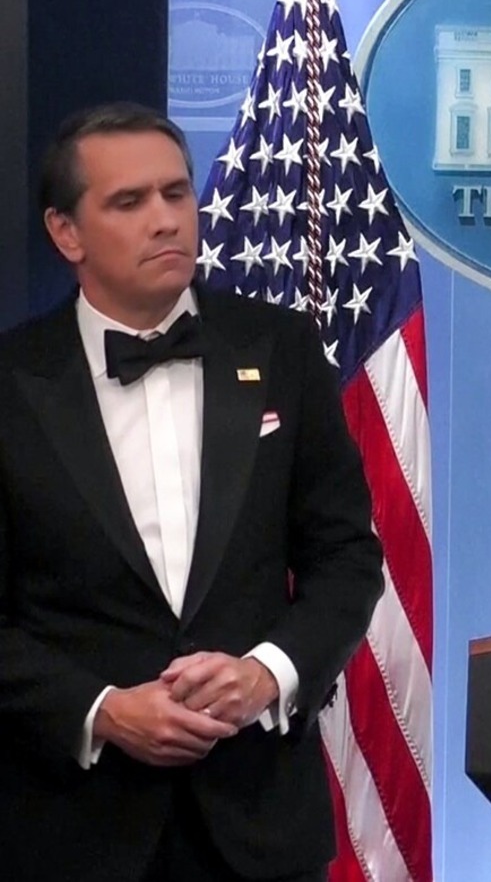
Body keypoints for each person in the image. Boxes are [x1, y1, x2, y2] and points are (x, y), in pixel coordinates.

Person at [0, 102, 383, 881]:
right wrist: (101, 710)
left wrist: (267, 673)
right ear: (66, 233)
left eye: (177, 193)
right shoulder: (12, 382)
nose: (166, 219)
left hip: (261, 825)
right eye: (129, 201)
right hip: (71, 830)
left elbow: (346, 558)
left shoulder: (282, 348)